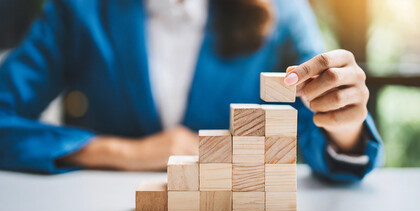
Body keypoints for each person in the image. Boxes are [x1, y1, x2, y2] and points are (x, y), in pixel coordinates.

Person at [0, 0, 383, 181]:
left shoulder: (284, 11)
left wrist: (344, 126)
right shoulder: (77, 10)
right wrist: (118, 151)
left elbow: (320, 125)